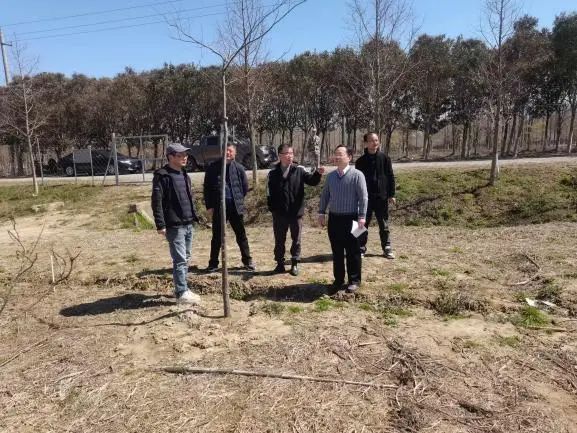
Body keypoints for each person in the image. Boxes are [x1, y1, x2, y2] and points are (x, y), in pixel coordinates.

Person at [151, 143, 201, 305]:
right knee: (180, 259)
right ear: (170, 157)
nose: (185, 158)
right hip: (174, 225)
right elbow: (156, 201)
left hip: (188, 223)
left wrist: (194, 216)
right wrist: (160, 224)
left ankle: (183, 288)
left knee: (186, 257)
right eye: (180, 155)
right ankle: (181, 292)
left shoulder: (184, 174)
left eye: (185, 155)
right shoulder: (163, 176)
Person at [267, 144, 325, 276]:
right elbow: (268, 192)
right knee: (279, 240)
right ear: (280, 155)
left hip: (295, 212)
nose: (290, 156)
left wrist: (318, 173)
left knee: (296, 239)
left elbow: (312, 181)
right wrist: (273, 208)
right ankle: (280, 263)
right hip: (279, 213)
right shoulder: (273, 173)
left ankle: (294, 263)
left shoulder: (299, 170)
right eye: (287, 153)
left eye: (291, 153)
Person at [318, 145, 368, 294]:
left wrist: (362, 216)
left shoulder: (357, 175)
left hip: (353, 218)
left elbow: (363, 197)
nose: (337, 157)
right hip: (334, 218)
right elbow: (325, 195)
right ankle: (338, 280)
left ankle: (354, 280)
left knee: (354, 251)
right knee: (337, 251)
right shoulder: (331, 176)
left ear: (349, 157)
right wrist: (321, 212)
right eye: (335, 154)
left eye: (340, 154)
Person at [203, 143, 255, 272]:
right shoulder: (213, 168)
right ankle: (213, 263)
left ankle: (247, 261)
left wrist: (238, 200)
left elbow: (244, 187)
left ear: (235, 153)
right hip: (219, 207)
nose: (228, 153)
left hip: (235, 207)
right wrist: (209, 206)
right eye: (225, 150)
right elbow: (207, 188)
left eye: (230, 151)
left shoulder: (239, 168)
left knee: (241, 235)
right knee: (217, 236)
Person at [355, 132, 397, 259]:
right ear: (366, 143)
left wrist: (391, 194)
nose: (375, 143)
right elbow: (357, 181)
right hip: (365, 198)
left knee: (384, 224)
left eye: (376, 140)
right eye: (372, 140)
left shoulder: (385, 158)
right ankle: (359, 248)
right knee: (361, 223)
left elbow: (390, 176)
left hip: (381, 197)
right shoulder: (360, 161)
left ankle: (387, 247)